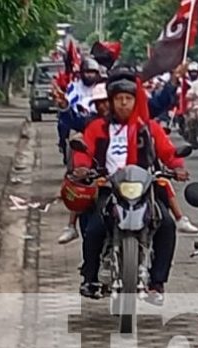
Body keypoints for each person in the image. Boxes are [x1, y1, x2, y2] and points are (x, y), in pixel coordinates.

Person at [71, 69, 189, 302]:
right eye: (119, 99)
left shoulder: (148, 127)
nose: (124, 104)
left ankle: (157, 283)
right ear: (111, 102)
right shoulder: (98, 128)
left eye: (128, 99)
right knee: (94, 228)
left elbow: (168, 151)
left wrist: (177, 167)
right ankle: (90, 277)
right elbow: (85, 152)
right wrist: (83, 167)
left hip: (145, 189)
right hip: (109, 188)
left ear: (135, 101)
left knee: (166, 225)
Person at [58, 83, 112, 245]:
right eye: (98, 102)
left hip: (128, 175)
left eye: (105, 101)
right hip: (97, 173)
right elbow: (74, 122)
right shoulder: (91, 123)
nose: (103, 106)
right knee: (78, 186)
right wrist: (65, 107)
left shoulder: (132, 122)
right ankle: (71, 226)